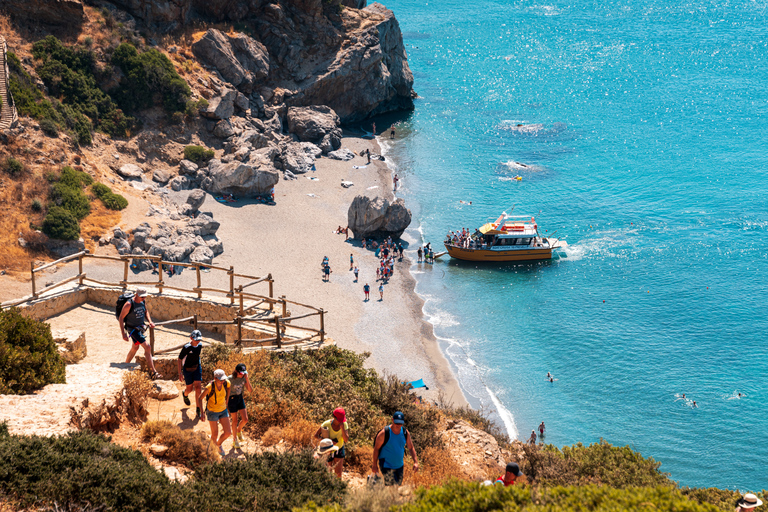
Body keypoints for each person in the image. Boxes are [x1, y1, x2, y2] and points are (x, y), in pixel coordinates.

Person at [119, 289, 161, 379]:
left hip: (140, 328)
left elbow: (146, 311)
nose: (144, 298)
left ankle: (125, 365)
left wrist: (150, 321)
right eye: (142, 296)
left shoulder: (143, 301)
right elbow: (121, 318)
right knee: (147, 347)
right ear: (136, 294)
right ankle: (153, 372)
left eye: (145, 296)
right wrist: (123, 334)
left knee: (135, 347)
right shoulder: (129, 304)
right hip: (133, 330)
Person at [371, 411, 419, 486]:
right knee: (393, 487)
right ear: (392, 420)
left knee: (396, 488)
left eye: (400, 423)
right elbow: (376, 449)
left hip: (399, 466)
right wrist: (374, 465)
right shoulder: (384, 433)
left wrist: (415, 462)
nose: (398, 425)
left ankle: (384, 497)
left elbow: (411, 447)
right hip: (386, 465)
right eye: (396, 423)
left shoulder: (405, 432)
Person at [201, 369, 232, 456]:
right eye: (221, 379)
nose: (223, 381)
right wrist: (202, 413)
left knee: (228, 432)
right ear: (215, 378)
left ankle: (218, 445)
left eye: (223, 379)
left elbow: (229, 388)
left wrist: (227, 401)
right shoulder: (209, 387)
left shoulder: (226, 383)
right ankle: (212, 452)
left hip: (223, 410)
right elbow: (200, 398)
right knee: (214, 434)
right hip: (212, 411)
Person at [314, 407, 349, 478]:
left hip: (339, 449)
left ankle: (338, 488)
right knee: (327, 473)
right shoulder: (326, 424)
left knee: (338, 474)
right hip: (327, 450)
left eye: (341, 420)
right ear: (334, 417)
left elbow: (346, 440)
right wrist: (328, 440)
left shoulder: (344, 424)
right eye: (339, 420)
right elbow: (316, 435)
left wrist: (342, 428)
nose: (340, 421)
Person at [178, 330, 204, 420]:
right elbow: (179, 359)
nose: (198, 341)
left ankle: (198, 409)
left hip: (197, 368)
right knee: (189, 389)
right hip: (187, 370)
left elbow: (197, 356)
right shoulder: (186, 347)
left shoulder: (200, 345)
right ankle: (185, 394)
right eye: (196, 339)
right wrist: (180, 373)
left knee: (198, 388)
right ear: (191, 338)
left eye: (199, 339)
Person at [228, 363, 252, 449]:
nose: (243, 374)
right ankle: (234, 440)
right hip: (231, 400)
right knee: (235, 421)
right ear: (236, 371)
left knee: (245, 419)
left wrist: (247, 379)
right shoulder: (229, 379)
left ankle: (238, 430)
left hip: (240, 398)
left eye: (244, 373)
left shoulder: (244, 378)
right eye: (241, 373)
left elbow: (250, 390)